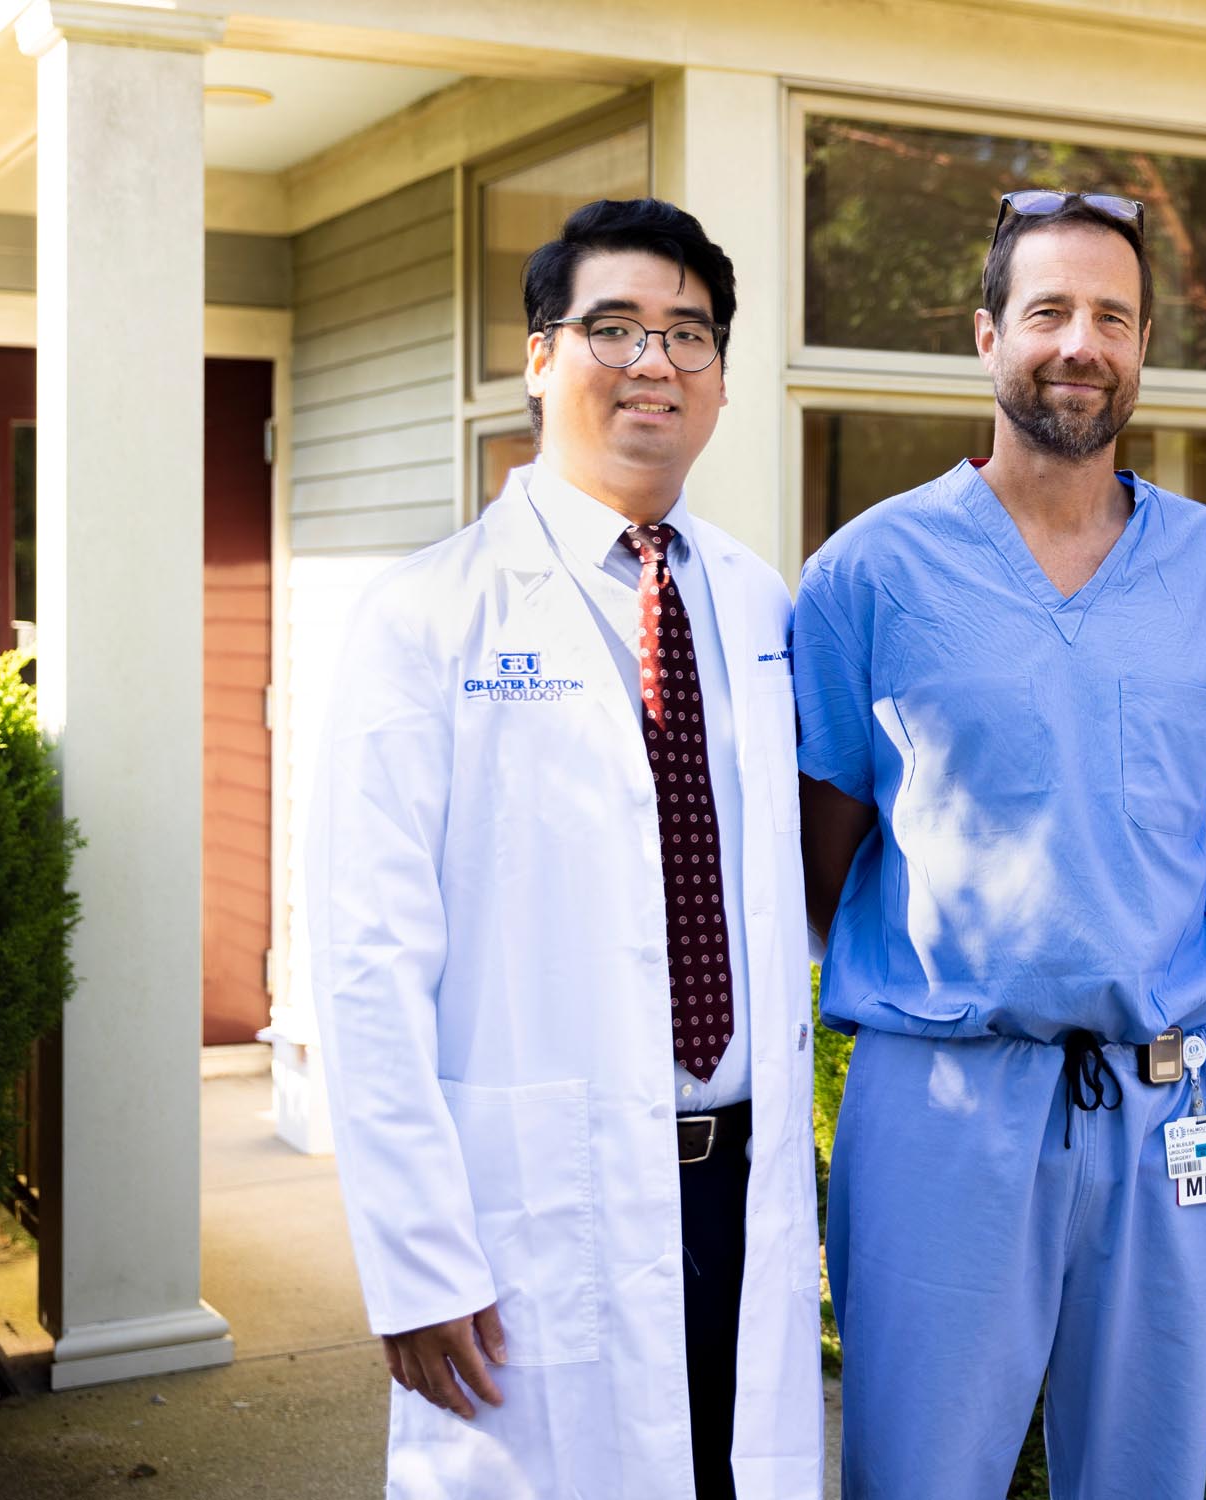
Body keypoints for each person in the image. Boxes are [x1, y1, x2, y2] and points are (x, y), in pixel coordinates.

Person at [309, 198, 822, 1500]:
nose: (653, 362)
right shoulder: (425, 614)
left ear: (717, 381)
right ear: (541, 357)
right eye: (614, 328)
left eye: (688, 335)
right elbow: (366, 962)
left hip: (739, 1191)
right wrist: (415, 1261)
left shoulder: (756, 602)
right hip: (538, 1206)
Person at [793, 189, 1206, 1499]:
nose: (1081, 343)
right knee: (917, 1475)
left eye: (1112, 317)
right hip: (945, 1102)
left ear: (1141, 349)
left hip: (1170, 1096)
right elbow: (818, 851)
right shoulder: (868, 574)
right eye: (1049, 310)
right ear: (985, 335)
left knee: (1147, 1477)